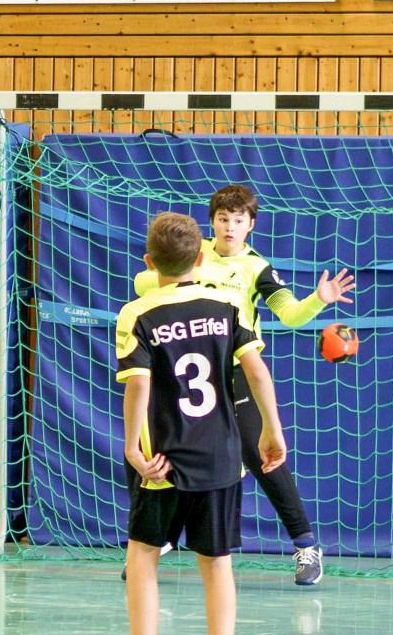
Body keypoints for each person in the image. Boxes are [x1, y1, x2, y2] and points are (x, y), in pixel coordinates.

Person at [98, 211, 287, 635]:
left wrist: (133, 449)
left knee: (143, 557)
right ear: (201, 258)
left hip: (162, 461)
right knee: (217, 565)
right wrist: (271, 429)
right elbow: (257, 372)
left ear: (148, 262)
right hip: (222, 455)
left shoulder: (137, 312)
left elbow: (138, 385)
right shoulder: (227, 304)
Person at [134, 184, 354, 586]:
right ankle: (158, 539)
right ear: (212, 222)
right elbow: (144, 282)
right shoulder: (194, 253)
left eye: (239, 220)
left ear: (251, 225)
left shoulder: (256, 269)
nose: (230, 226)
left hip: (234, 369)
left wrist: (318, 299)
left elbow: (290, 314)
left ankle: (305, 543)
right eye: (223, 219)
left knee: (260, 453)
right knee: (173, 449)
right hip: (185, 365)